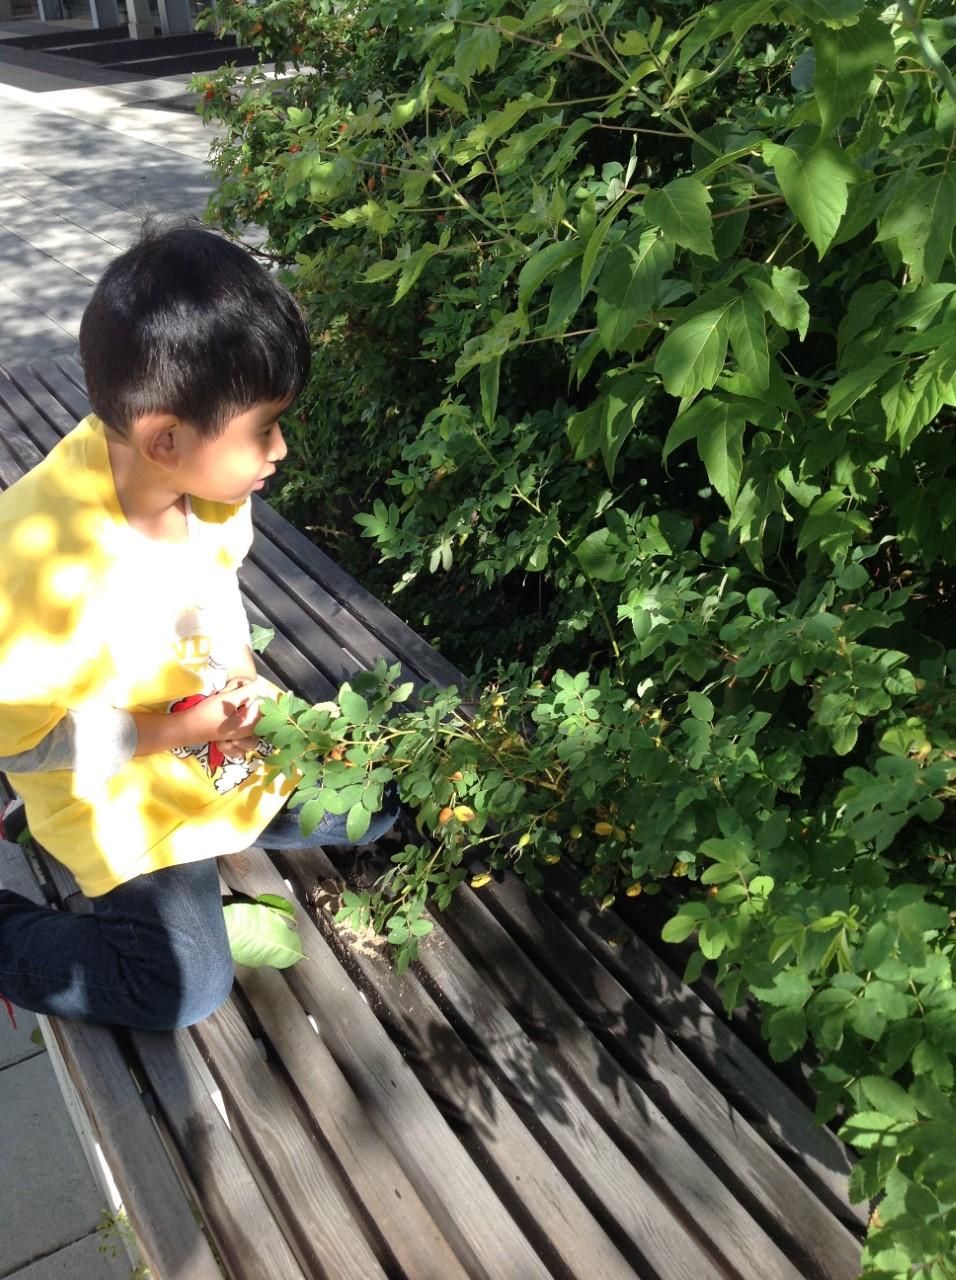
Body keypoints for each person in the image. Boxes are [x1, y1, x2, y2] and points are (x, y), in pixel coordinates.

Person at [0, 220, 399, 1033]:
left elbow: (216, 589)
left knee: (378, 794)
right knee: (180, 987)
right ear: (167, 439)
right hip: (110, 785)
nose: (280, 449)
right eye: (262, 428)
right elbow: (21, 743)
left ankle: (208, 844)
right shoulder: (42, 558)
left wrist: (240, 671)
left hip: (206, 740)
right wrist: (187, 727)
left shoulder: (206, 490)